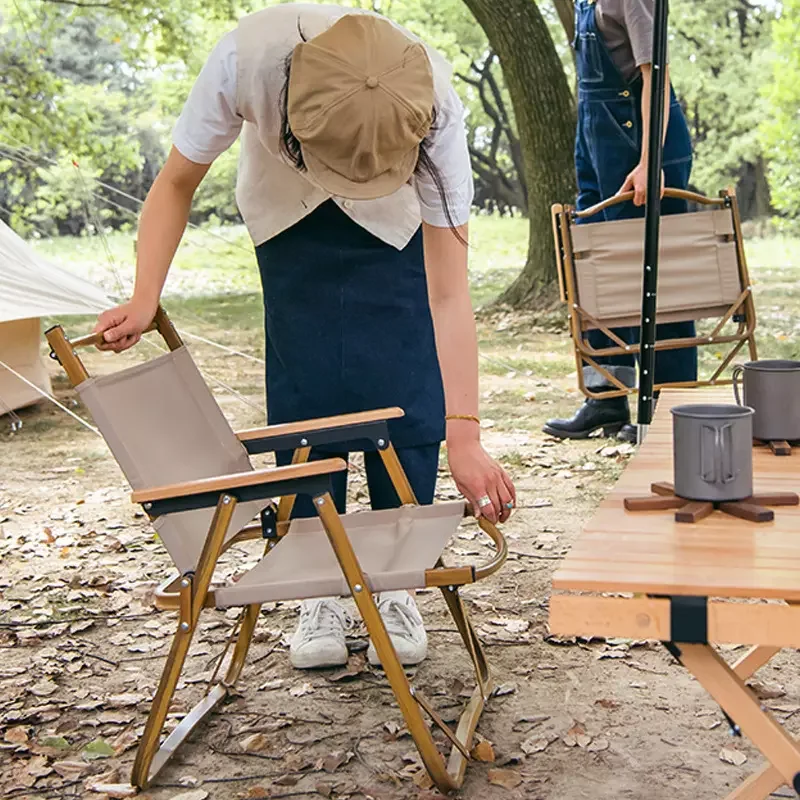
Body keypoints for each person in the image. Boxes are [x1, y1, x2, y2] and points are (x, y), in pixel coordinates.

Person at [93, 5, 516, 670]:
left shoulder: (434, 103)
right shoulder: (242, 61)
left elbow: (448, 293)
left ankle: (395, 581)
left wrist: (464, 431)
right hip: (286, 222)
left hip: (398, 231)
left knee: (404, 380)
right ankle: (319, 581)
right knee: (305, 385)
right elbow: (175, 182)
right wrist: (146, 295)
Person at [544, 0, 697, 442]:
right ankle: (606, 398)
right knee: (596, 266)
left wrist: (650, 160)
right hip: (597, 136)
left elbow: (656, 74)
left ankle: (668, 404)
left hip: (639, 138)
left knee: (654, 274)